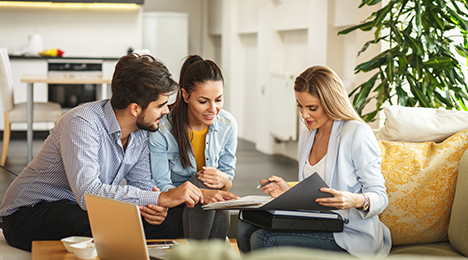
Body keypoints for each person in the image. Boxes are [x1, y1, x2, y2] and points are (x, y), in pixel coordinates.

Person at [0, 53, 203, 252]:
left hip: (78, 208)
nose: (166, 111)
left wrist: (153, 208)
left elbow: (142, 186)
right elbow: (88, 194)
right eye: (160, 105)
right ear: (135, 109)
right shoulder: (82, 122)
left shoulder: (141, 131)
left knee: (166, 224)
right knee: (109, 226)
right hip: (29, 212)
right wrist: (160, 199)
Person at [237, 66, 391, 258]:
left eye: (312, 108)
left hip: (350, 233)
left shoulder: (356, 133)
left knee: (264, 239)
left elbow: (380, 197)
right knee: (245, 227)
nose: (304, 115)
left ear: (331, 103)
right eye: (300, 106)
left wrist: (355, 200)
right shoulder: (308, 136)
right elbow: (315, 191)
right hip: (318, 223)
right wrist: (288, 190)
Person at [149, 55, 239, 240]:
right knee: (200, 182)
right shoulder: (163, 129)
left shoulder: (227, 124)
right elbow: (162, 185)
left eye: (219, 100)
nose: (213, 109)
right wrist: (201, 193)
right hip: (176, 203)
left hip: (209, 205)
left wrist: (223, 180)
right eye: (203, 101)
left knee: (213, 191)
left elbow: (227, 180)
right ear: (185, 95)